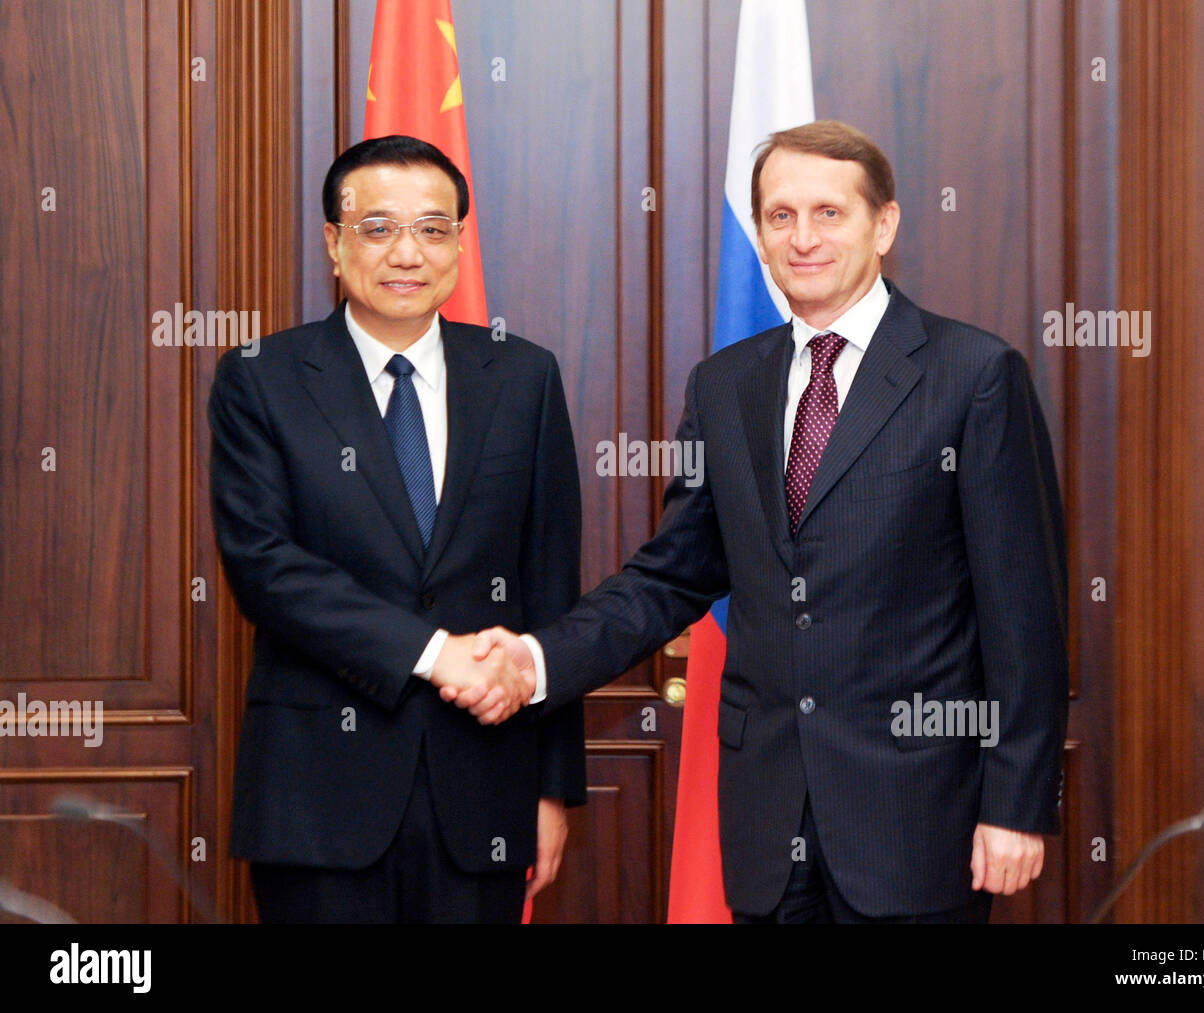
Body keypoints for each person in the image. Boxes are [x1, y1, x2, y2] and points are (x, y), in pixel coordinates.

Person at [451, 120, 1069, 923]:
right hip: (767, 825)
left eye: (828, 213)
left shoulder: (974, 376)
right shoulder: (725, 386)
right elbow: (673, 572)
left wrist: (1015, 803)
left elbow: (1024, 615)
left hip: (918, 822)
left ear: (884, 225)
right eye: (780, 217)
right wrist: (535, 658)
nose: (802, 237)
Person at [208, 135, 585, 923]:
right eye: (378, 228)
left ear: (457, 244)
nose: (407, 252)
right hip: (318, 799)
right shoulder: (262, 378)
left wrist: (551, 786)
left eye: (433, 228)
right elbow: (265, 567)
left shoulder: (524, 377)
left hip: (484, 792)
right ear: (335, 244)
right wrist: (433, 651)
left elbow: (550, 585)